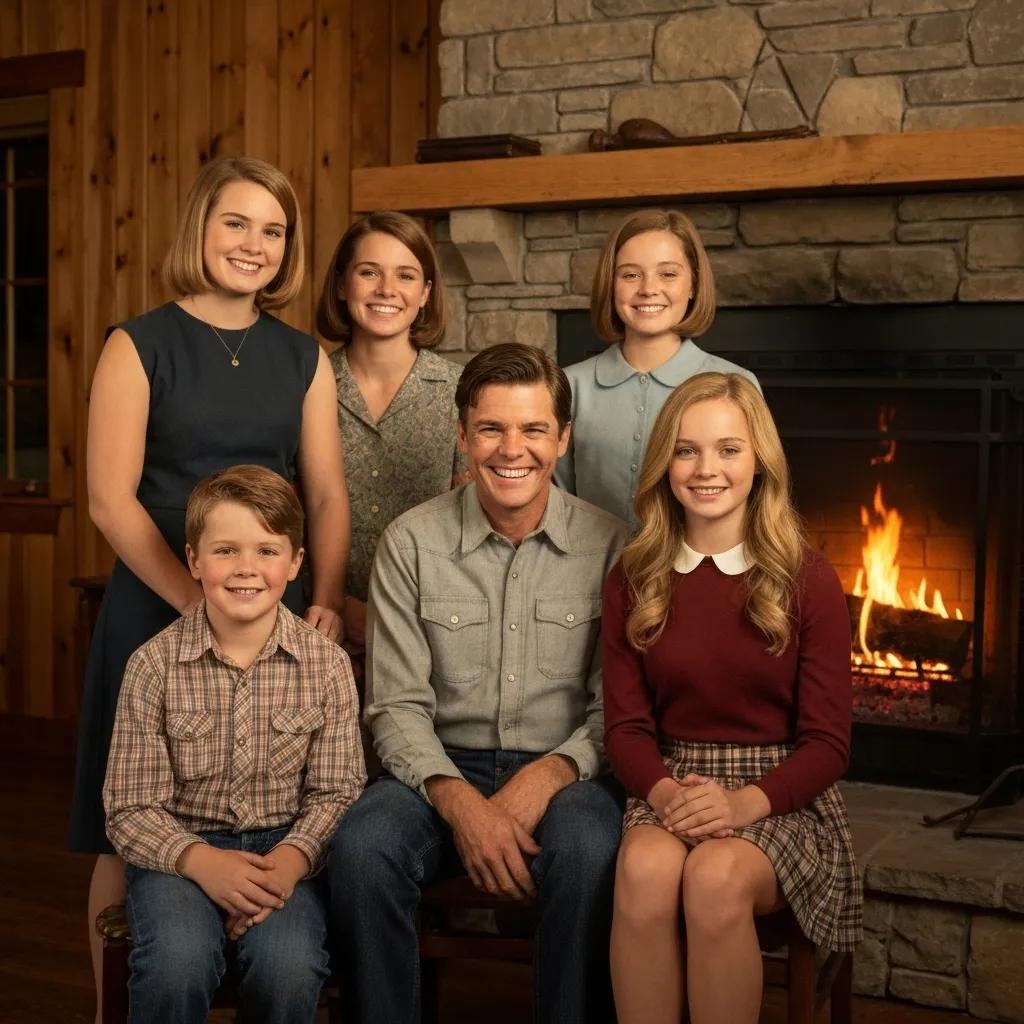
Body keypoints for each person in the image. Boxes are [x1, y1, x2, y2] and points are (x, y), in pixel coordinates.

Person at [69, 155, 350, 1021]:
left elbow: (327, 492)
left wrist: (322, 599)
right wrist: (195, 600)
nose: (254, 245)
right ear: (201, 227)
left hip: (269, 601)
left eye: (274, 231)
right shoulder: (138, 342)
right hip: (157, 601)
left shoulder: (303, 355)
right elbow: (110, 499)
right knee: (118, 830)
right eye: (238, 223)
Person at [329, 343, 629, 1024]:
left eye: (532, 430)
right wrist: (464, 805)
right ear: (462, 436)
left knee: (590, 850)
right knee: (362, 848)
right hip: (440, 769)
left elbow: (616, 709)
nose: (510, 449)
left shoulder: (612, 547)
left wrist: (549, 776)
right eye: (491, 429)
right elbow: (395, 706)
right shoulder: (410, 543)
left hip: (568, 774)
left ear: (562, 438)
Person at [602, 372, 862, 1024]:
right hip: (673, 783)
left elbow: (828, 745)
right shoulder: (634, 575)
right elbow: (627, 730)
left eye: (728, 449)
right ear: (665, 465)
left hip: (781, 794)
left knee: (715, 877)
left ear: (759, 462)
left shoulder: (808, 576)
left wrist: (740, 804)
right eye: (686, 450)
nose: (706, 468)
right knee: (642, 869)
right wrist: (669, 797)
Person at [103, 465, 365, 1024]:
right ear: (194, 560)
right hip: (179, 852)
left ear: (296, 563)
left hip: (286, 853)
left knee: (289, 968)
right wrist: (204, 864)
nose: (246, 569)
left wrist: (289, 864)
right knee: (177, 961)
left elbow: (338, 791)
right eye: (225, 550)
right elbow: (129, 808)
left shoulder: (327, 665)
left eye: (268, 551)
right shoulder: (152, 666)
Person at [317, 210, 465, 674]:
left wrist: (388, 619)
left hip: (434, 632)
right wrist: (336, 604)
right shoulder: (307, 383)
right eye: (368, 272)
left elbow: (473, 523)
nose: (386, 290)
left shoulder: (460, 392)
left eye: (405, 275)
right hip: (319, 625)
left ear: (424, 294)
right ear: (342, 285)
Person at [555, 208, 759, 527]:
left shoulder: (736, 384)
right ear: (611, 285)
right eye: (630, 274)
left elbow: (752, 503)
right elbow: (555, 498)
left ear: (693, 285)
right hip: (589, 573)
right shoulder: (570, 385)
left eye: (668, 274)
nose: (648, 288)